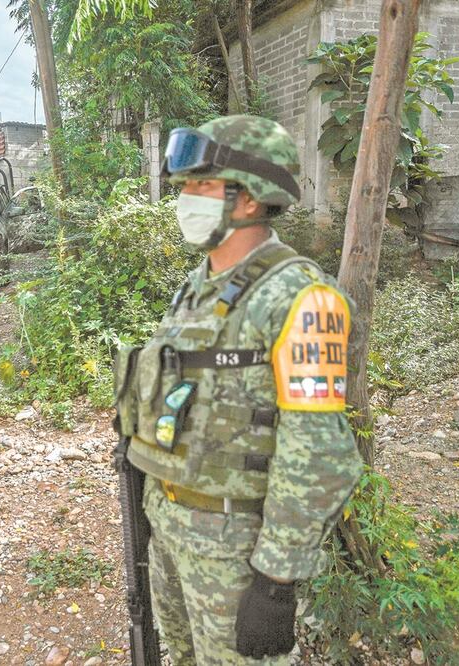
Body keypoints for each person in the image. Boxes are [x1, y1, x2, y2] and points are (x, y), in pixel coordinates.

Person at [113, 115, 364, 664]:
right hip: (169, 524)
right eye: (184, 187)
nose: (186, 199)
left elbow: (316, 452)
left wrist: (276, 580)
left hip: (236, 545)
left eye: (201, 185)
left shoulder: (301, 298)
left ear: (249, 200)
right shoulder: (195, 289)